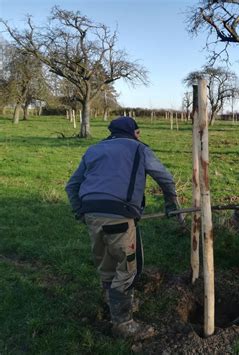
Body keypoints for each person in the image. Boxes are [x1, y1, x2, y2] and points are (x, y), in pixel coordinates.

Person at [65, 116, 183, 340]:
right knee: (127, 268)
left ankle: (112, 300)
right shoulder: (139, 149)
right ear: (135, 133)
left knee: (107, 262)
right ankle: (123, 323)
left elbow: (72, 185)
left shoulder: (93, 149)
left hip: (92, 214)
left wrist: (80, 211)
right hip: (119, 216)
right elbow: (165, 178)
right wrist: (172, 206)